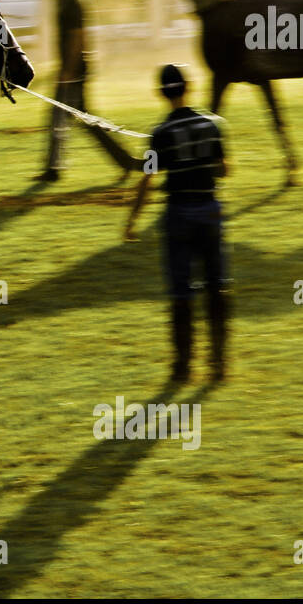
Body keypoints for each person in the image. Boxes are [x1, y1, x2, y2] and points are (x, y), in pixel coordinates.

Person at [123, 64, 231, 381]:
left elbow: (147, 179)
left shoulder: (161, 134)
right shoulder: (213, 125)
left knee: (181, 290)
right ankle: (219, 364)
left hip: (179, 214)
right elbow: (223, 170)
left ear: (161, 93)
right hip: (210, 211)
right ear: (190, 87)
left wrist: (132, 219)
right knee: (217, 286)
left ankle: (183, 367)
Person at [34, 0, 136, 183]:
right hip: (75, 68)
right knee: (85, 121)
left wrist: (68, 71)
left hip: (73, 69)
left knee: (59, 117)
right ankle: (124, 160)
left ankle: (54, 170)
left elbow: (77, 37)